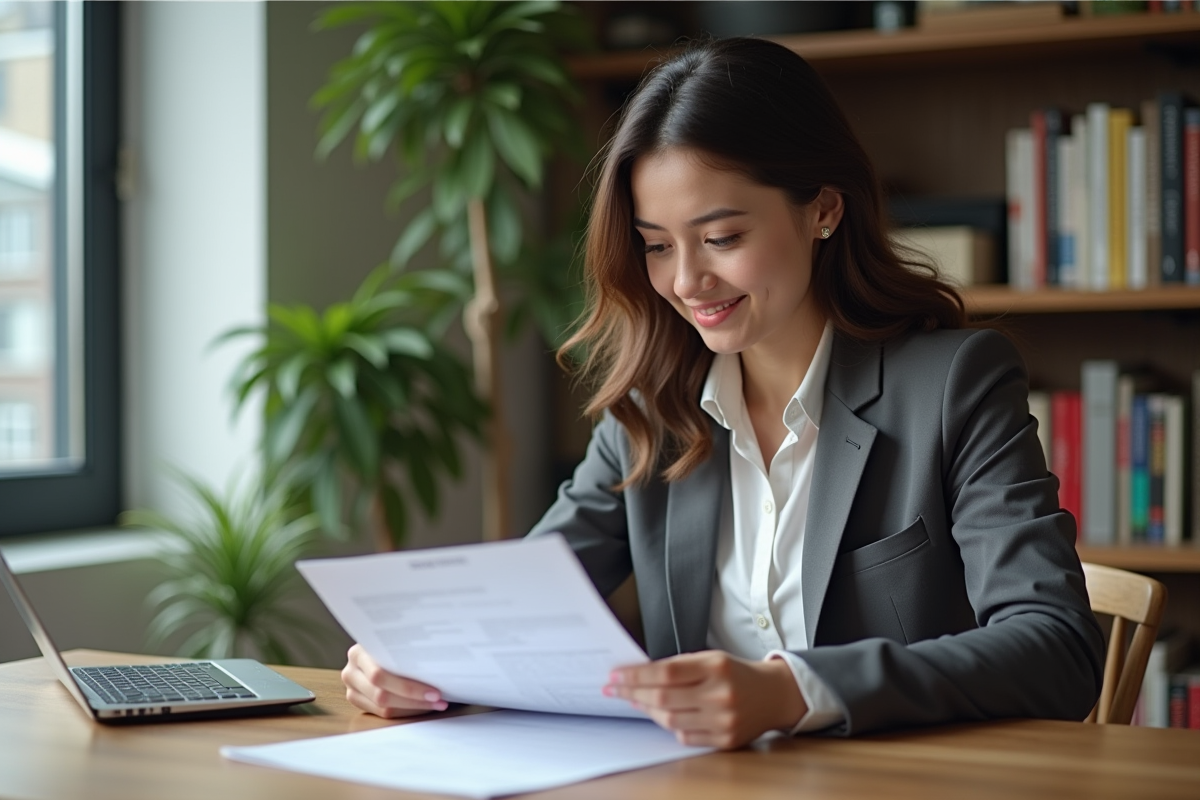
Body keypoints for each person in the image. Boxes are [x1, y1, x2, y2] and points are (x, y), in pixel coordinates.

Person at [340, 37, 1105, 749]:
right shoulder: (651, 408)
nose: (685, 282)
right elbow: (526, 603)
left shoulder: (953, 382)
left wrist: (794, 691)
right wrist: (411, 658)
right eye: (657, 246)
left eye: (722, 238)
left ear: (824, 209)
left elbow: (1057, 647)